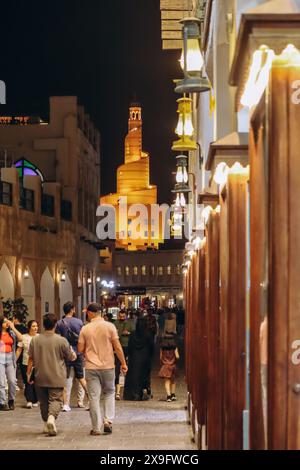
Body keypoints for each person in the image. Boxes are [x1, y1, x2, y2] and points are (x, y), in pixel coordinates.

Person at [78, 303, 127, 436]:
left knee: (94, 397)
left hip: (91, 367)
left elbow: (80, 349)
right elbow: (117, 346)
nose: (86, 314)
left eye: (87, 312)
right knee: (109, 393)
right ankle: (108, 421)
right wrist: (123, 363)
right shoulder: (110, 326)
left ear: (90, 313)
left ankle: (96, 428)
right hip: (108, 366)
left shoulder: (85, 329)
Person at [27, 313, 76, 436]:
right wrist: (73, 353)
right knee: (56, 400)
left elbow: (31, 358)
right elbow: (71, 357)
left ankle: (45, 424)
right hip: (57, 375)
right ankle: (51, 418)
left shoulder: (35, 340)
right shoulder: (61, 340)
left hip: (40, 375)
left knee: (43, 401)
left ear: (43, 325)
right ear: (55, 325)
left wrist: (28, 373)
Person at [56, 302, 87, 411]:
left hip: (65, 353)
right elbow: (83, 338)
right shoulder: (79, 322)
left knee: (66, 379)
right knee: (82, 378)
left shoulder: (59, 323)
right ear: (73, 309)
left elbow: (58, 340)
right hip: (78, 352)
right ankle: (90, 401)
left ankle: (66, 404)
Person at [123, 317, 153, 401]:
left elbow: (130, 346)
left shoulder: (133, 334)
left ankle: (133, 394)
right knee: (143, 376)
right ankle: (142, 393)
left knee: (134, 376)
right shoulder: (148, 334)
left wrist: (128, 354)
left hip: (134, 358)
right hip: (145, 358)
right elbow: (151, 346)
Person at [0, 316, 23, 410]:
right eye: (5, 322)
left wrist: (13, 327)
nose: (7, 323)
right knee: (1, 383)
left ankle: (11, 400)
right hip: (0, 359)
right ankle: (2, 402)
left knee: (12, 381)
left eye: (7, 322)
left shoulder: (11, 333)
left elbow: (21, 338)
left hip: (10, 359)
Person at [16, 320, 39, 408]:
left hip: (37, 364)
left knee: (36, 382)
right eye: (33, 326)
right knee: (28, 382)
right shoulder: (23, 337)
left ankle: (35, 400)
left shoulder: (39, 337)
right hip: (25, 363)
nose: (35, 328)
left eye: (36, 326)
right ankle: (29, 400)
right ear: (29, 327)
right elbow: (19, 350)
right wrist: (14, 361)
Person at [114, 310, 134, 400]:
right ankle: (117, 391)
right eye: (120, 316)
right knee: (117, 368)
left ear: (126, 316)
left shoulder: (130, 323)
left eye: (123, 316)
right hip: (118, 347)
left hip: (128, 346)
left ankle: (128, 388)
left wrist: (128, 333)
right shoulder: (115, 323)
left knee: (128, 367)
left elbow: (134, 333)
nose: (122, 318)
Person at [158, 332, 179, 402]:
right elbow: (177, 356)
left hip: (165, 366)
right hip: (173, 365)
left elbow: (160, 357)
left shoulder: (162, 348)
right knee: (173, 381)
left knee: (167, 381)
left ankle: (168, 396)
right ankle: (173, 395)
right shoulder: (174, 347)